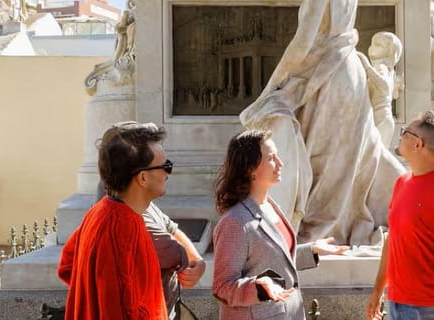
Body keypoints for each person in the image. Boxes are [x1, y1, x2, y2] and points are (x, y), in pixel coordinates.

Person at [239, 0, 405, 245]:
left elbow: (303, 42)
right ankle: (335, 228)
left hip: (329, 77)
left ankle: (322, 233)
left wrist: (271, 86)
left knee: (325, 161)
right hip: (347, 71)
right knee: (340, 162)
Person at [212, 129, 349, 320]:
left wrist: (311, 251)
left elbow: (274, 261)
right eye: (271, 158)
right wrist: (257, 287)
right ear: (250, 168)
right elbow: (222, 287)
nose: (280, 163)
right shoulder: (235, 222)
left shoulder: (270, 207)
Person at [366, 111, 434, 320]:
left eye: (404, 132)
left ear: (418, 143)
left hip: (432, 310)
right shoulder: (402, 182)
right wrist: (378, 290)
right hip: (396, 302)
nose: (400, 136)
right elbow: (393, 239)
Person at [58, 121, 171, 319]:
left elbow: (68, 266)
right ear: (142, 178)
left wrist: (91, 299)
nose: (168, 173)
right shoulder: (120, 227)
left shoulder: (101, 211)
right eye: (165, 166)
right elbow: (121, 312)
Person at [142, 202, 206, 320]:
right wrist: (187, 261)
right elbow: (176, 252)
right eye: (162, 180)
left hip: (170, 308)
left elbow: (172, 229)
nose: (164, 182)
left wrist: (198, 261)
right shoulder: (134, 214)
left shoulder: (147, 204)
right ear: (141, 182)